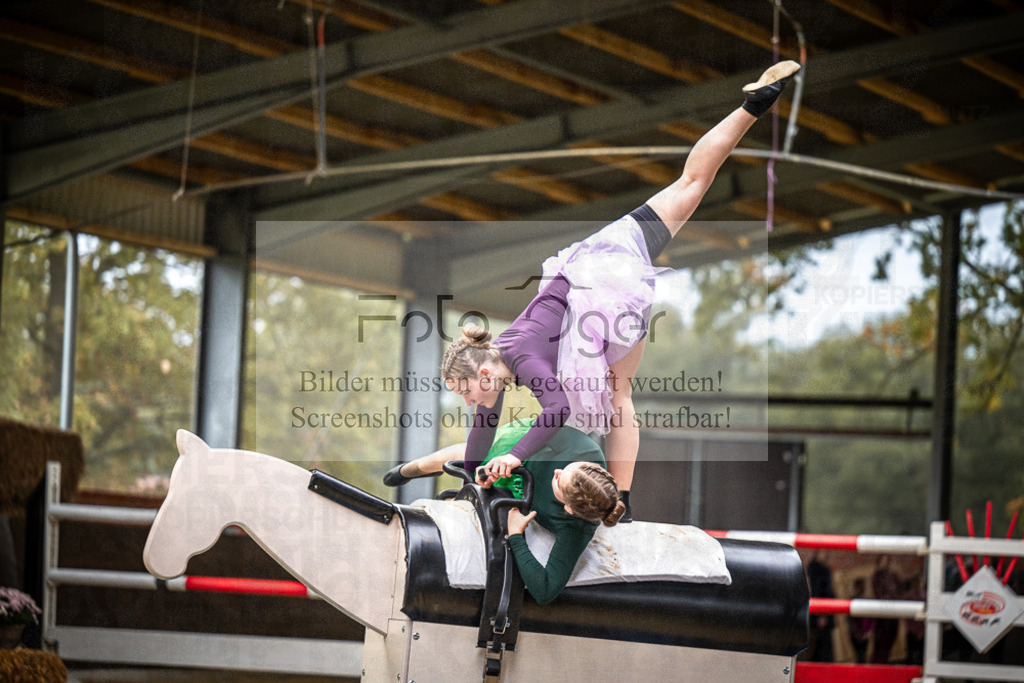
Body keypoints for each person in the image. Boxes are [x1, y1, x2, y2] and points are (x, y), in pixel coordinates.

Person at [436, 60, 802, 521]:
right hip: (602, 253)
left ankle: (621, 501)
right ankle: (755, 105)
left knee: (618, 398)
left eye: (466, 392)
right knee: (691, 181)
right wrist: (472, 478)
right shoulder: (501, 360)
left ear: (485, 376)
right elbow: (481, 433)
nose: (468, 402)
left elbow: (556, 409)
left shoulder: (523, 358)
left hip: (604, 291)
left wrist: (513, 458)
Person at [385, 419, 625, 604]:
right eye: (567, 469)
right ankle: (412, 468)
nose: (557, 472)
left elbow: (545, 590)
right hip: (527, 446)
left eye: (559, 483)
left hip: (523, 487)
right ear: (591, 468)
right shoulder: (585, 452)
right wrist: (503, 461)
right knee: (467, 456)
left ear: (569, 509)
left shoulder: (575, 528)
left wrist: (517, 536)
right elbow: (542, 429)